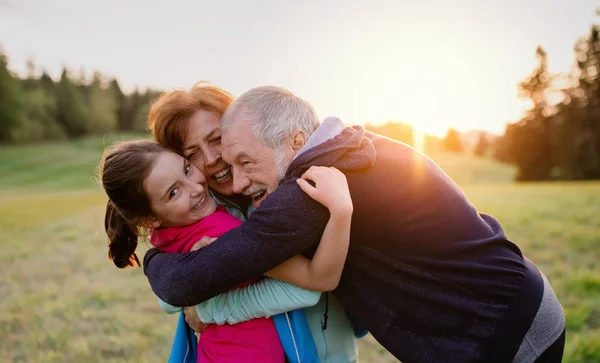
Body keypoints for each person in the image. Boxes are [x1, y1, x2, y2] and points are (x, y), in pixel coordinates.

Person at [144, 85, 566, 363]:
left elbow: (181, 284)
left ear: (293, 140)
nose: (227, 170)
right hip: (507, 308)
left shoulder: (313, 186)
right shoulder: (345, 146)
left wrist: (161, 268)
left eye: (241, 158)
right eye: (192, 153)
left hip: (505, 331)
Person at [148, 82, 364, 362]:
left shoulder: (289, 192)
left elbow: (305, 288)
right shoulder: (200, 212)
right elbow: (169, 295)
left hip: (324, 349)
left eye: (216, 139)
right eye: (192, 154)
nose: (212, 158)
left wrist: (209, 308)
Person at [99, 139, 354, 362]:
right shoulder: (220, 232)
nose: (196, 187)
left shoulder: (167, 237)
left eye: (187, 169)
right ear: (147, 219)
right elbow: (311, 281)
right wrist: (341, 213)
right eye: (174, 192)